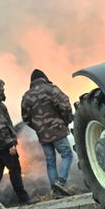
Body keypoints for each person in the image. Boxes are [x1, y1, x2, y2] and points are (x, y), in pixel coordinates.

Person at [20, 69, 75, 197]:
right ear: (44, 77)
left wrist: (39, 128)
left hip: (42, 134)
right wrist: (66, 121)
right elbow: (65, 105)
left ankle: (55, 191)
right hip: (57, 130)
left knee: (50, 161)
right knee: (67, 154)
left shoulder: (27, 96)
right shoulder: (51, 89)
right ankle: (61, 181)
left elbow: (25, 118)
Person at [0, 77, 32, 205]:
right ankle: (23, 198)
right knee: (14, 170)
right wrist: (10, 144)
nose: (3, 91)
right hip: (2, 145)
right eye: (1, 89)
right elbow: (0, 126)